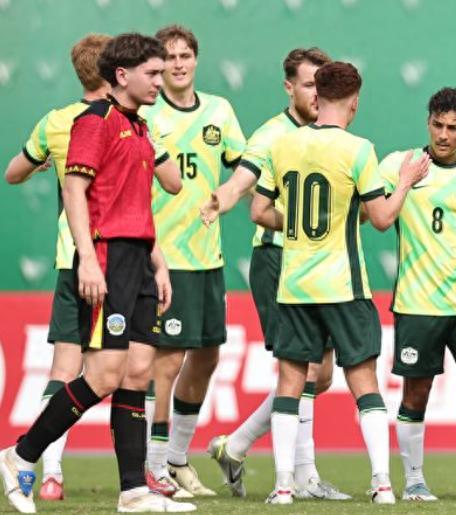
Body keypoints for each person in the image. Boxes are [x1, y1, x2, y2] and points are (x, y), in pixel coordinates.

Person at [0, 32, 193, 513]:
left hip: (140, 259)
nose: (161, 80)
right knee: (104, 375)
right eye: (152, 73)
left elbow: (138, 203)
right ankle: (20, 455)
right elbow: (73, 191)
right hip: (107, 258)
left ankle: (134, 491)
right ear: (122, 75)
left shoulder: (141, 127)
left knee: (139, 372)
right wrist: (87, 258)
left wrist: (158, 263)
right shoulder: (94, 121)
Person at [251, 61, 429, 505]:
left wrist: (299, 224)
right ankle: (382, 485)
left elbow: (258, 211)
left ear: (316, 96)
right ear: (354, 101)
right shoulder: (358, 149)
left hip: (294, 285)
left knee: (291, 383)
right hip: (343, 285)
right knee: (363, 381)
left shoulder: (283, 144)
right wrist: (405, 182)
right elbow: (382, 218)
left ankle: (283, 486)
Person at [203, 47, 347, 501]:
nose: (316, 94)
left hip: (321, 264)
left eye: (322, 85)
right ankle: (304, 476)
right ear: (288, 87)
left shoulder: (333, 131)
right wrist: (223, 199)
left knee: (321, 375)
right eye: (308, 85)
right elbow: (241, 180)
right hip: (279, 261)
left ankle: (236, 445)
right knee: (302, 369)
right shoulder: (271, 135)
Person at [375, 87, 456, 503]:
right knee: (416, 394)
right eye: (437, 125)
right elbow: (373, 212)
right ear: (428, 122)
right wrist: (404, 183)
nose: (443, 135)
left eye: (453, 128)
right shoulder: (399, 165)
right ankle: (414, 481)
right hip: (417, 303)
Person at [3, 33, 112, 502]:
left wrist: (43, 162)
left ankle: (50, 474)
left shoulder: (56, 122)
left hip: (72, 258)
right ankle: (147, 475)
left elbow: (13, 172)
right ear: (114, 71)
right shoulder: (124, 120)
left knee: (64, 367)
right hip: (112, 258)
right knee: (130, 367)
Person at [141, 24, 245, 498]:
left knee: (207, 356)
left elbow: (244, 169)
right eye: (170, 57)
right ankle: (153, 467)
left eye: (185, 55)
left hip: (208, 255)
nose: (178, 64)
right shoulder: (147, 113)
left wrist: (228, 194)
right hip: (167, 256)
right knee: (166, 362)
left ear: (196, 59)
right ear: (158, 66)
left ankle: (177, 460)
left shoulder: (219, 110)